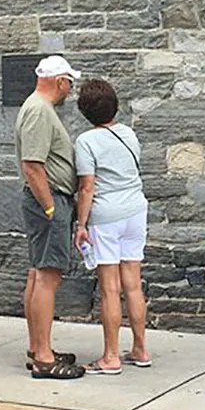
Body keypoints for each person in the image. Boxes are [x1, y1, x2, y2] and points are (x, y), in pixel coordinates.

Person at [72, 79, 150, 375]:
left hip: (106, 216)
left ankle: (111, 356)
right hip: (135, 210)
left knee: (109, 289)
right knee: (133, 283)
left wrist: (81, 224)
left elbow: (87, 186)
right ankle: (140, 348)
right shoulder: (128, 133)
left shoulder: (86, 141)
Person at [15, 55, 84, 380]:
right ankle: (43, 357)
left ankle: (37, 347)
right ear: (60, 81)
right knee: (47, 277)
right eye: (69, 83)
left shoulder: (37, 108)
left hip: (48, 200)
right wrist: (51, 207)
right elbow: (33, 164)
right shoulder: (39, 111)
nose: (70, 90)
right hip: (49, 200)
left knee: (37, 273)